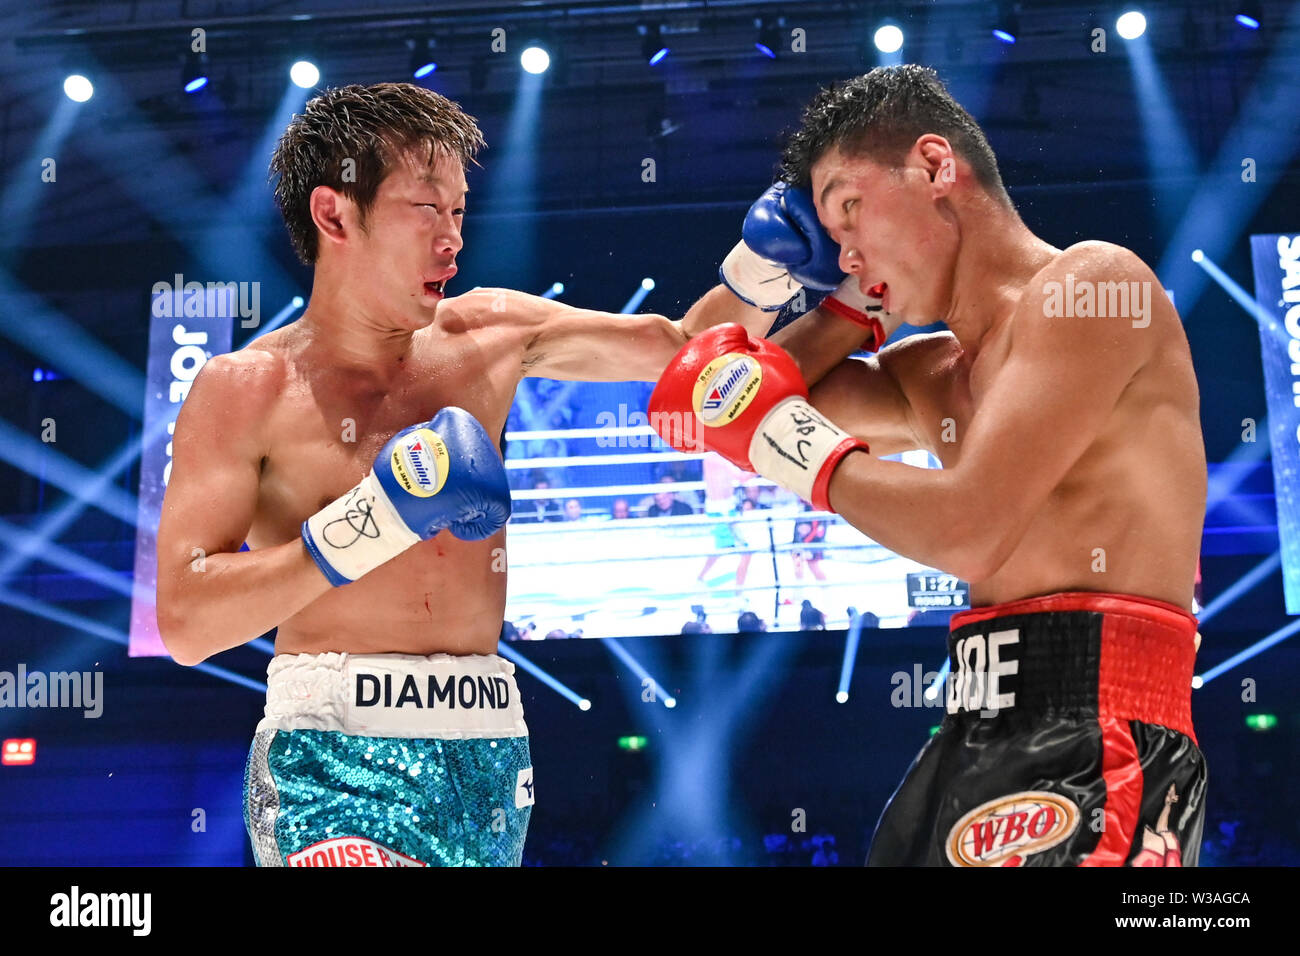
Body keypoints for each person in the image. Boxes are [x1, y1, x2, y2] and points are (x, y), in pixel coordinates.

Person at [653, 65, 1206, 866]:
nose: (843, 247)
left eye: (850, 208)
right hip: (969, 724)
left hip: (1101, 731)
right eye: (831, 236)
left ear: (938, 166)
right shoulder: (929, 375)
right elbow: (720, 394)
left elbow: (970, 528)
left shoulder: (1094, 287)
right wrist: (840, 297)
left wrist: (789, 445)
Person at [155, 82, 699, 867]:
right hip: (333, 757)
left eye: (459, 212)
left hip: (487, 751)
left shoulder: (494, 334)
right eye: (425, 208)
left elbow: (682, 347)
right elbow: (185, 619)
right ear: (335, 214)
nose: (453, 240)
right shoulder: (246, 390)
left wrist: (776, 271)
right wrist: (371, 520)